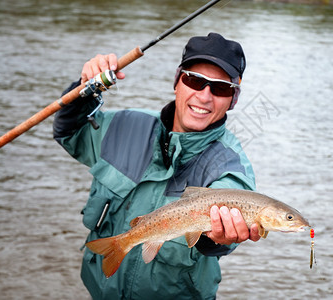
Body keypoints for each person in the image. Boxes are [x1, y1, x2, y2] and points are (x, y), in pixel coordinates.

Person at [53, 32, 261, 300]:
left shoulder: (232, 166)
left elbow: (224, 223)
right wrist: (84, 90)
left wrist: (217, 238)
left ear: (233, 99)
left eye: (220, 88)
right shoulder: (125, 126)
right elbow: (69, 132)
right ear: (177, 81)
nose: (205, 96)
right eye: (194, 80)